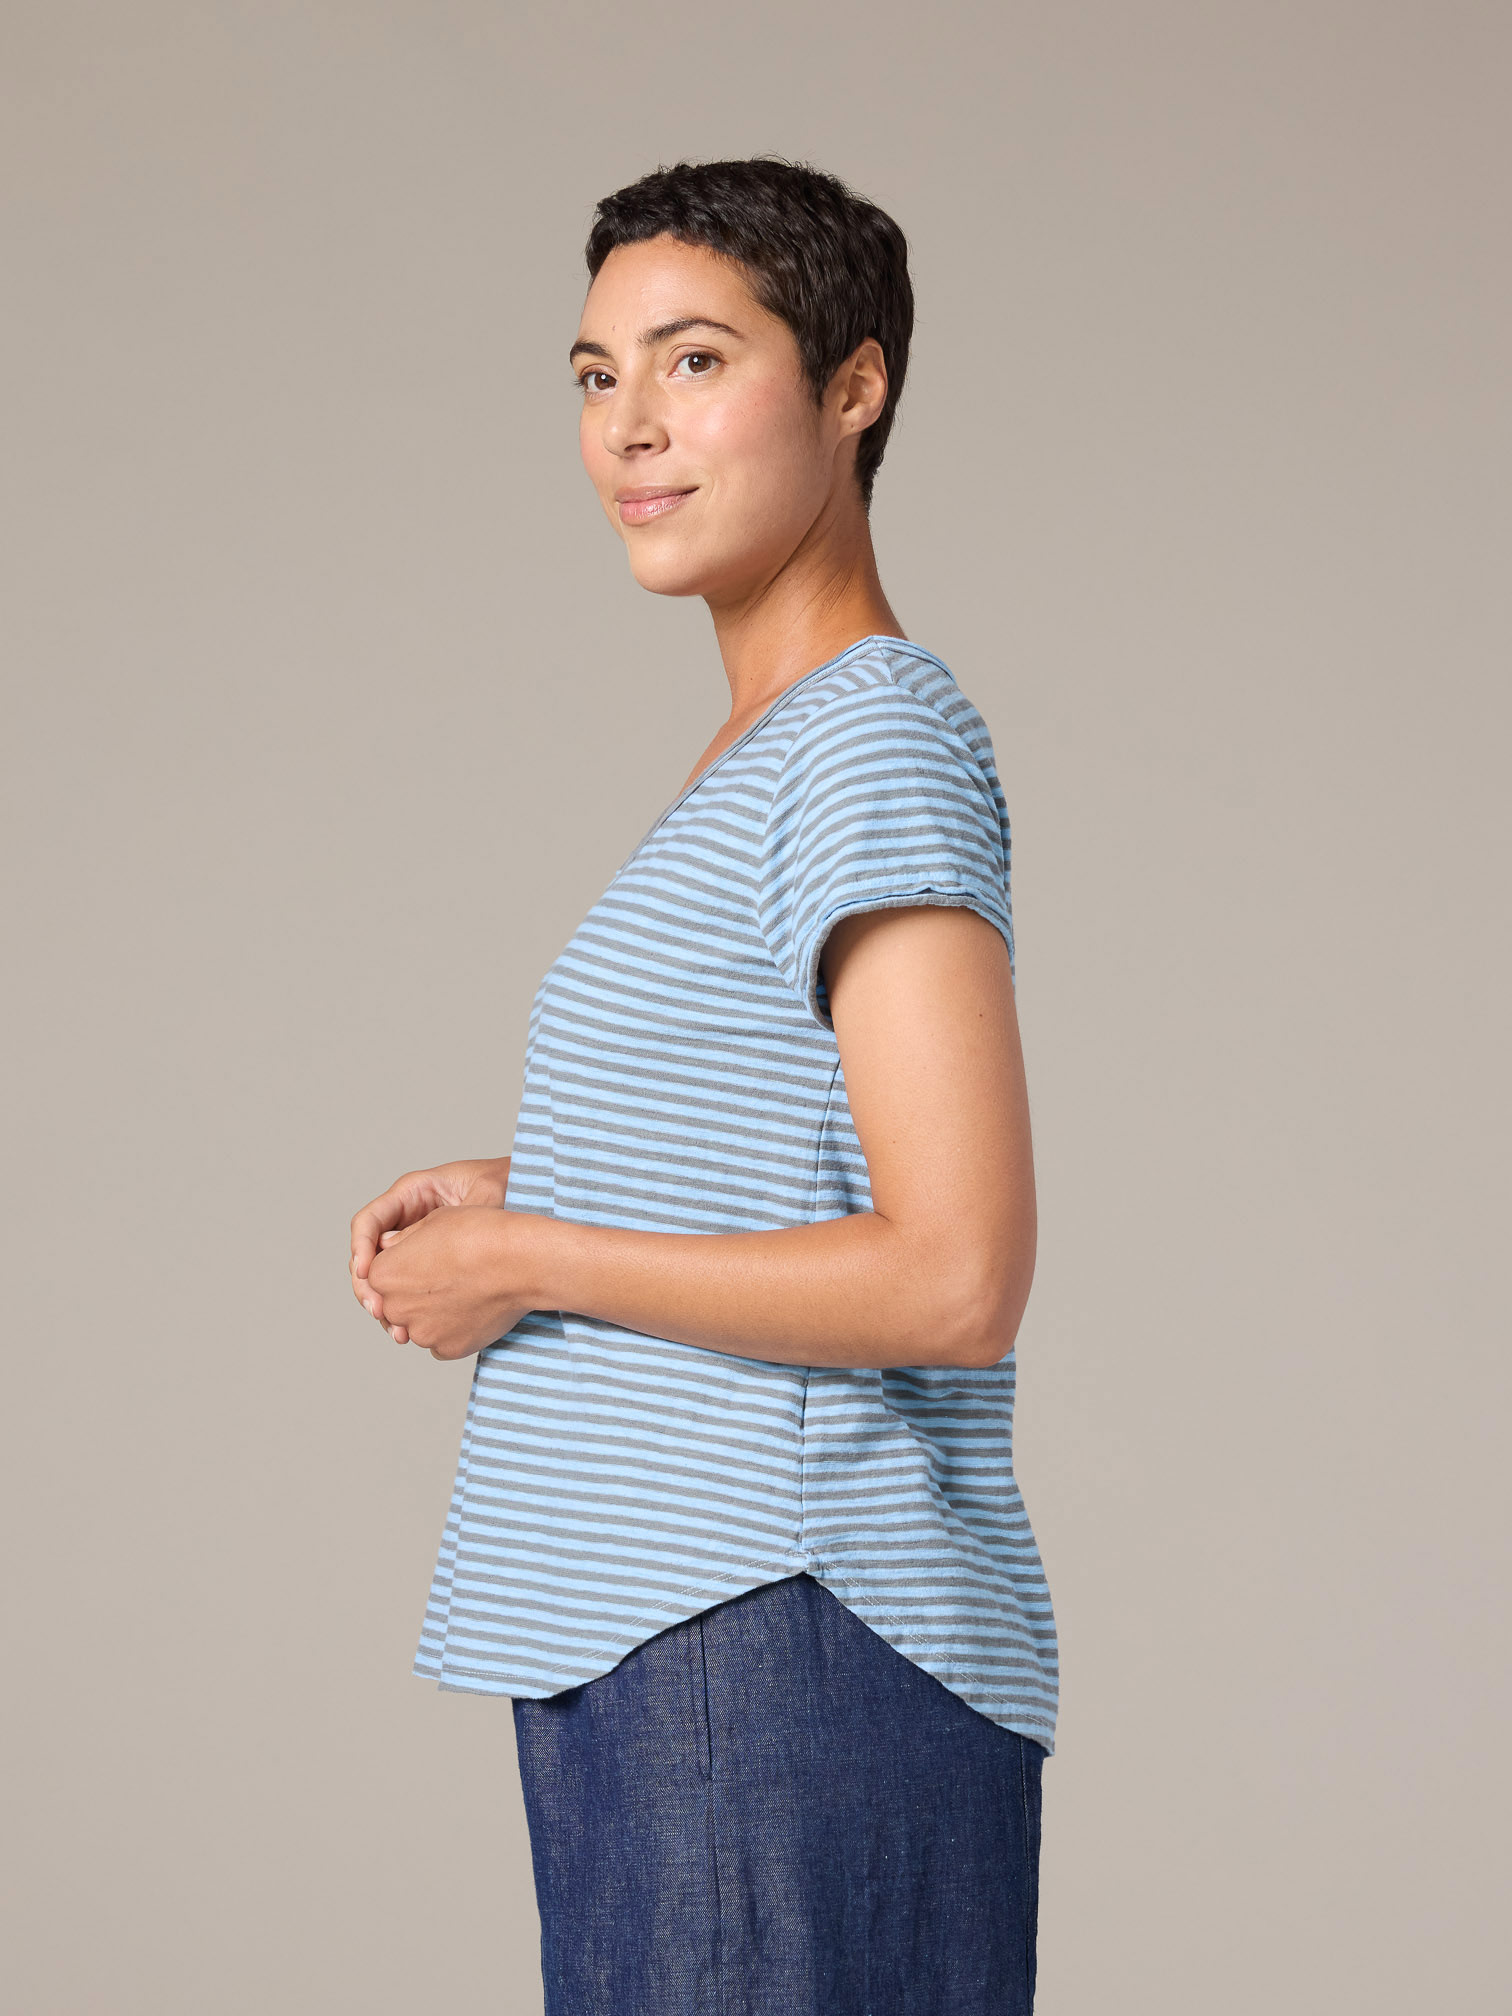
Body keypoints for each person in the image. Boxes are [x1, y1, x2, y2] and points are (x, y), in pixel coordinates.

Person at [349, 155, 1059, 2016]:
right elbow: (800, 1153)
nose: (630, 427)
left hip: (770, 1625)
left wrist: (535, 1262)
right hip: (684, 1634)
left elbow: (954, 1273)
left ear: (855, 385)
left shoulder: (868, 734)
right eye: (597, 376)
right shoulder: (767, 749)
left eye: (694, 361)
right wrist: (536, 1187)